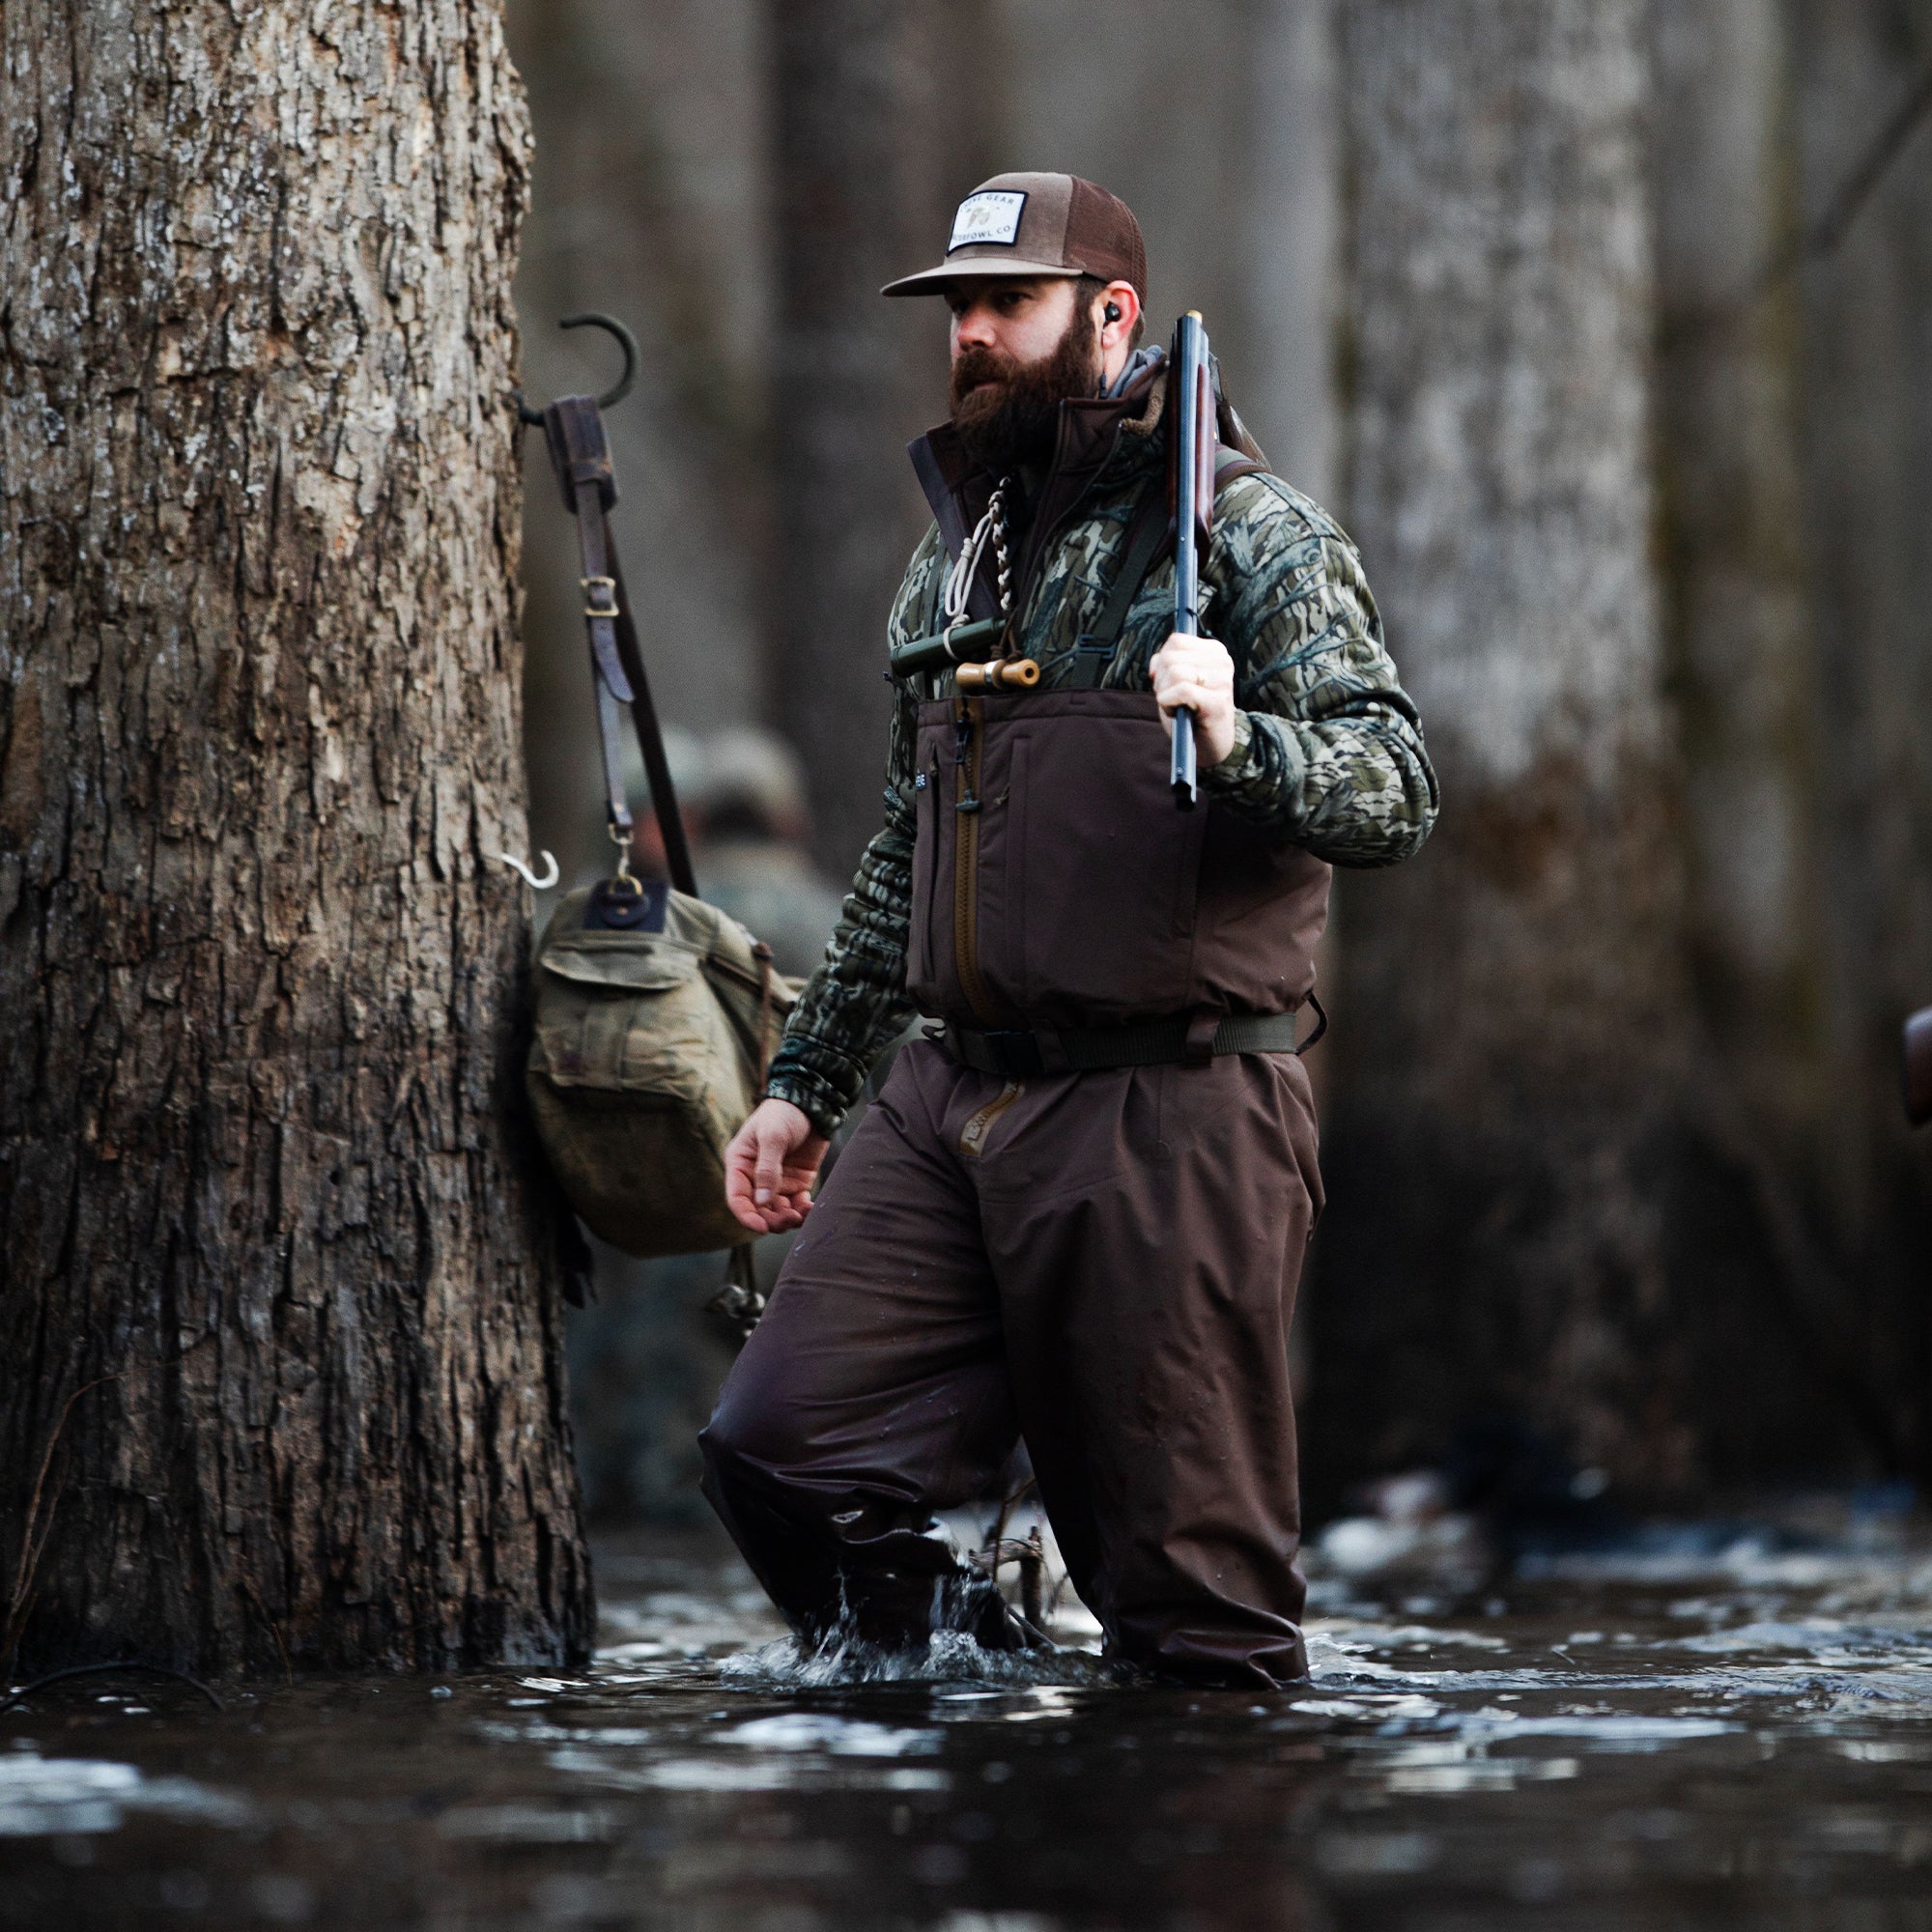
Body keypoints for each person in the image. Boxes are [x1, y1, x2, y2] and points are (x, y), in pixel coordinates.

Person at [700, 172, 1438, 1688]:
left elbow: (1400, 789)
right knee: (778, 1449)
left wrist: (1245, 744)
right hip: (946, 1100)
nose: (970, 336)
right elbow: (911, 839)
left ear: (1110, 315)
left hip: (1168, 1108)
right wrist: (806, 1081)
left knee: (1196, 1621)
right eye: (958, 309)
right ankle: (970, 1697)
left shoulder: (1252, 533)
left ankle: (1156, 1843)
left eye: (1006, 305)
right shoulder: (956, 550)